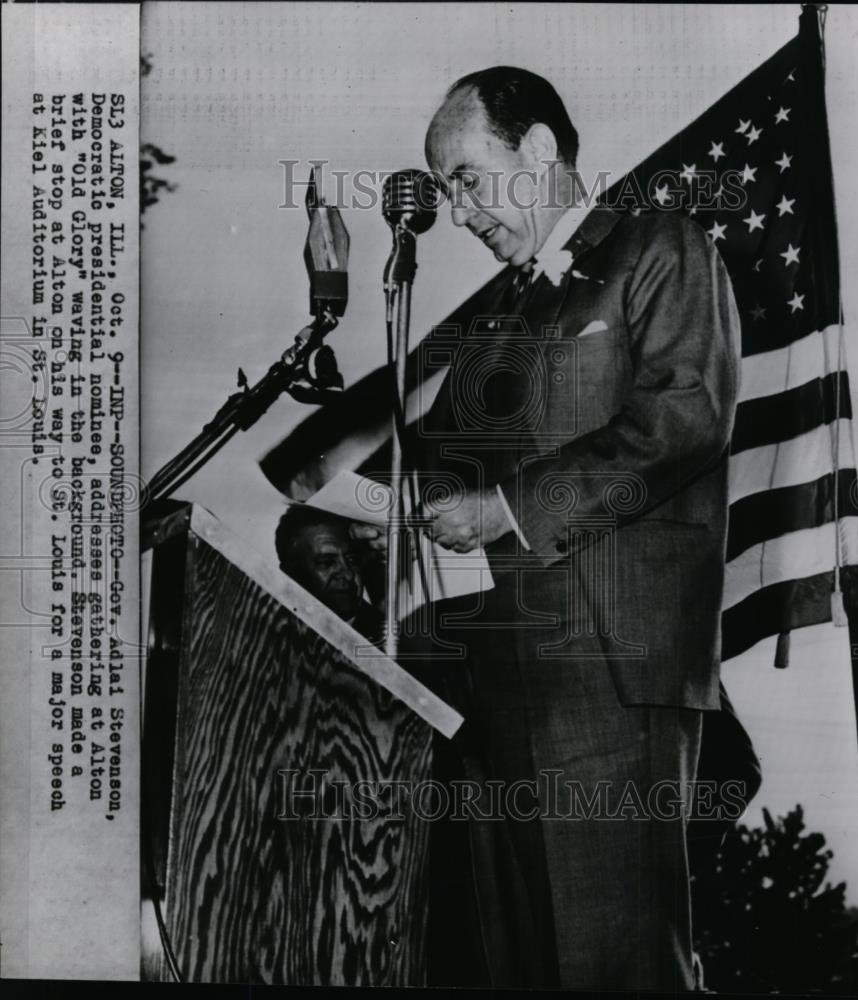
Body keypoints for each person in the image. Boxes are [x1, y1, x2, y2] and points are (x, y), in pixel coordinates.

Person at [356, 65, 743, 990]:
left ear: (537, 153)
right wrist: (358, 521)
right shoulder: (492, 317)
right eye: (443, 189)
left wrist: (504, 509)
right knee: (517, 968)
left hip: (606, 682)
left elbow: (680, 421)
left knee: (613, 967)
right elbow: (418, 466)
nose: (456, 212)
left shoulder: (658, 248)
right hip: (484, 698)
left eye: (463, 178)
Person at [275, 503, 384, 647]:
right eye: (326, 563)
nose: (348, 574)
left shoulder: (396, 643)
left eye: (352, 559)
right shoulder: (273, 639)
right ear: (291, 574)